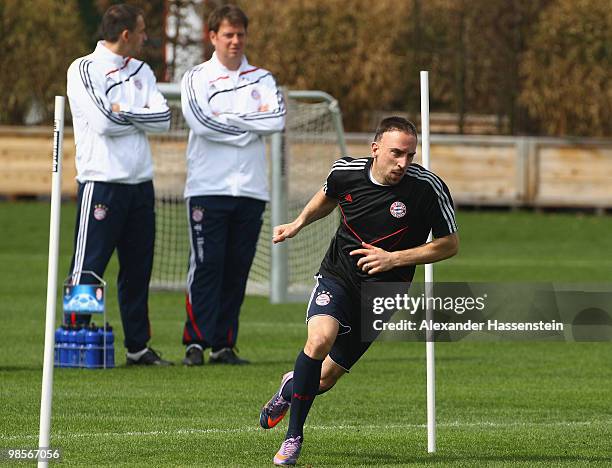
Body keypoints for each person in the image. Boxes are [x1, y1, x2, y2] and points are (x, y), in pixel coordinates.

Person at [259, 117, 459, 465]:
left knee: (325, 379)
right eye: (396, 153)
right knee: (319, 340)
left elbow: (449, 245)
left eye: (410, 155)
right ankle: (293, 437)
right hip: (338, 276)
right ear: (375, 149)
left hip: (384, 291)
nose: (403, 163)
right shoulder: (345, 171)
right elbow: (327, 197)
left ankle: (289, 390)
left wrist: (392, 258)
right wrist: (297, 224)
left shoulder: (428, 187)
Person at [66, 4, 172, 366]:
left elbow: (164, 119)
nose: (145, 38)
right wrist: (136, 116)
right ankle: (77, 336)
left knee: (138, 267)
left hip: (141, 183)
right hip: (102, 181)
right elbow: (101, 122)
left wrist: (123, 112)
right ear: (126, 34)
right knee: (90, 265)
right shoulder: (83, 68)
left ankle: (137, 346)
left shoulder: (142, 70)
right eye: (142, 31)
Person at [180, 5, 286, 366]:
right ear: (213, 36)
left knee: (237, 268)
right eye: (228, 34)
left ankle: (224, 345)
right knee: (207, 265)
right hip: (207, 187)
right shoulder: (196, 77)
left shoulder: (263, 78)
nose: (236, 41)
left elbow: (277, 120)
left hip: (252, 189)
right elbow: (201, 123)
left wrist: (228, 119)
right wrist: (250, 124)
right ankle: (195, 342)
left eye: (240, 34)